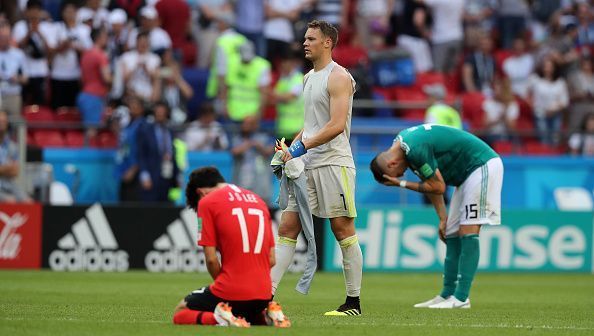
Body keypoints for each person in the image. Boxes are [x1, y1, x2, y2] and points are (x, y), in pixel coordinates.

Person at [272, 20, 363, 316]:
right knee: (287, 226)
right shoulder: (308, 77)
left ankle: (353, 303)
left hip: (334, 163)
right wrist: (289, 150)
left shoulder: (339, 77)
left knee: (342, 228)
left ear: (328, 42)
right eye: (304, 39)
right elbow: (310, 125)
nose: (305, 43)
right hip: (307, 163)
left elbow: (336, 125)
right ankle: (264, 296)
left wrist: (300, 147)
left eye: (311, 38)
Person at [370, 124, 503, 309]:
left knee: (468, 230)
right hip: (465, 176)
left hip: (481, 165)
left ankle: (462, 298)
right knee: (452, 231)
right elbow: (431, 182)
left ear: (392, 164)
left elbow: (438, 187)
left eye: (397, 174)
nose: (401, 174)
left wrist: (401, 183)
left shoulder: (414, 150)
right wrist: (442, 217)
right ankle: (448, 295)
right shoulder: (404, 148)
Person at [173, 166, 290, 328]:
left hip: (230, 289)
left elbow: (212, 260)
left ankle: (221, 319)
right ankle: (267, 315)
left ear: (201, 193)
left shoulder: (207, 203)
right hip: (264, 294)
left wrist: (226, 286)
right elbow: (271, 259)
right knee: (244, 312)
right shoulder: (259, 201)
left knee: (180, 312)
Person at [136, 101, 178, 202]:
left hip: (167, 176)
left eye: (162, 111)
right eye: (158, 111)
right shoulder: (146, 131)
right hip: (151, 175)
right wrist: (144, 175)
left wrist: (177, 175)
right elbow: (141, 154)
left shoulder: (170, 131)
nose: (160, 114)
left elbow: (174, 154)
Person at [231, 115, 274, 205]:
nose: (245, 126)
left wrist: (258, 146)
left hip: (261, 176)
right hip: (243, 176)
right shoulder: (237, 138)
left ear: (256, 125)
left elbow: (269, 150)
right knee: (242, 201)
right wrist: (248, 144)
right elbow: (234, 151)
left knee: (262, 202)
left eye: (249, 124)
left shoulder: (264, 137)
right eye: (244, 123)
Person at [0, 110, 31, 203]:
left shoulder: (12, 146)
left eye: (4, 121)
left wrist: (3, 169)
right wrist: (6, 169)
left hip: (10, 184)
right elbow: (10, 169)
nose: (1, 124)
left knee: (28, 202)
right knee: (10, 201)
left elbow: (15, 171)